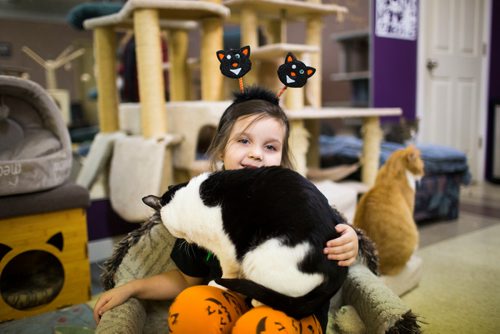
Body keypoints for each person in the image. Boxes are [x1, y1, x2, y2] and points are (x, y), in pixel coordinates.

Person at [93, 86, 359, 333]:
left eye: (270, 147)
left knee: (262, 326)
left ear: (282, 158)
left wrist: (350, 240)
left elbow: (334, 231)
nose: (256, 153)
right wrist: (133, 288)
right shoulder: (199, 208)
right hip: (231, 303)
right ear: (221, 151)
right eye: (244, 141)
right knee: (191, 308)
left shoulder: (296, 200)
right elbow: (187, 280)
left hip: (289, 310)